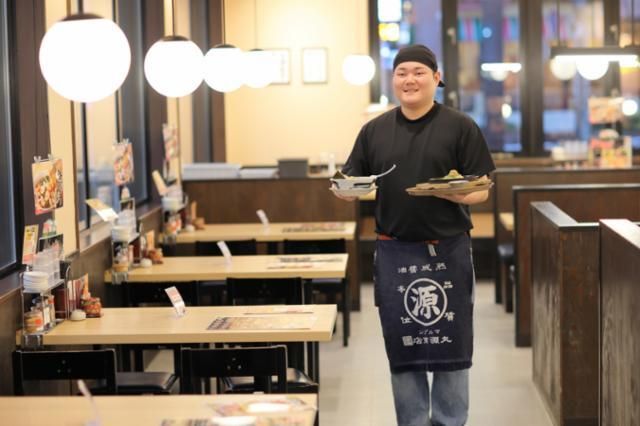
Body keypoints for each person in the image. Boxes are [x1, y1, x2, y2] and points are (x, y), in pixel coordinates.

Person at [334, 44, 495, 426]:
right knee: (403, 344)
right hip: (395, 252)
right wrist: (345, 190)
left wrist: (453, 193)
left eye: (419, 72)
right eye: (402, 72)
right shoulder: (374, 131)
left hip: (449, 250)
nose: (410, 80)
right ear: (393, 79)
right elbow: (350, 180)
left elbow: (482, 190)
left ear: (436, 78)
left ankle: (450, 421)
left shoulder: (460, 126)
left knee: (451, 342)